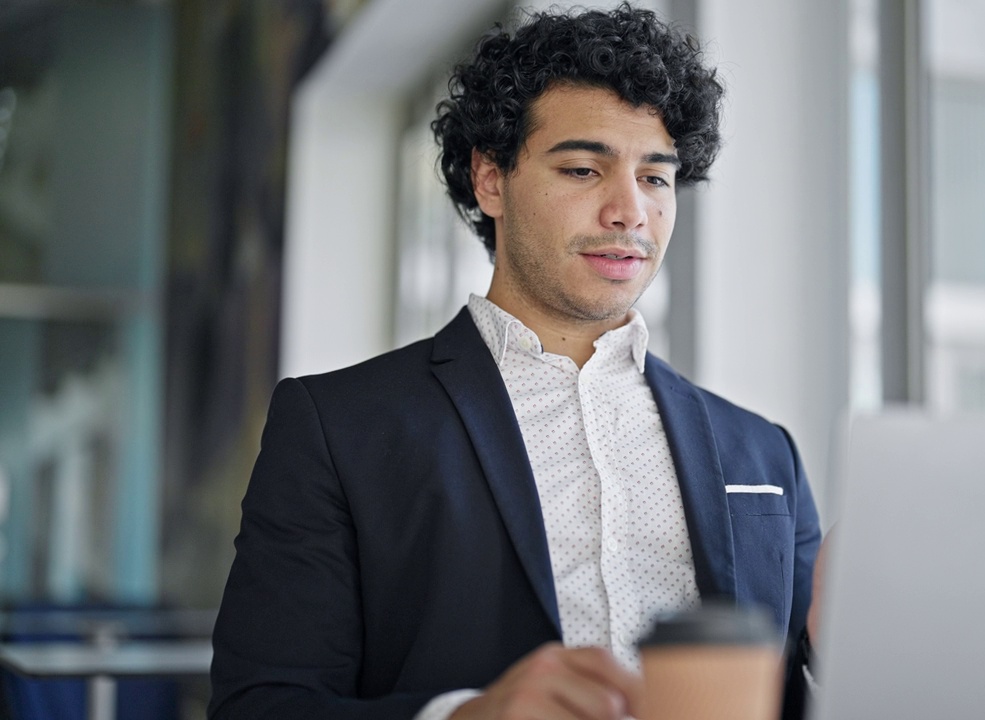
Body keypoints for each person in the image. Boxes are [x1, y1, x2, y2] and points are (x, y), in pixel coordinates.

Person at [208, 5, 821, 719]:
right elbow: (260, 706)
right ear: (490, 179)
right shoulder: (335, 429)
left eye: (655, 178)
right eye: (585, 168)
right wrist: (467, 716)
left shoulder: (763, 452)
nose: (630, 211)